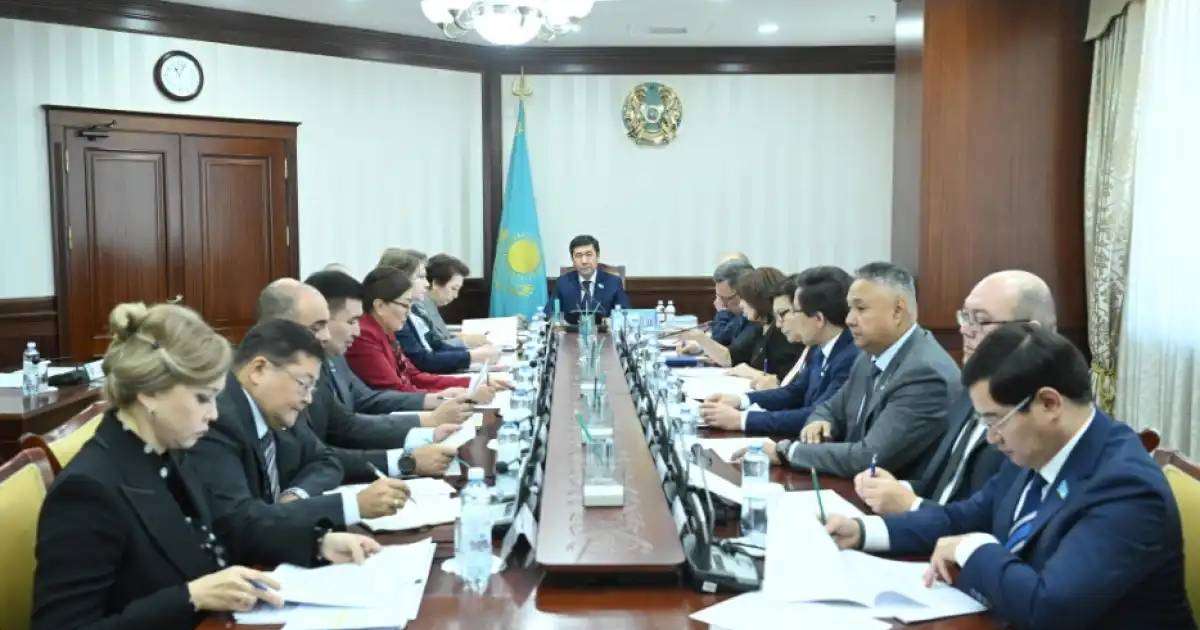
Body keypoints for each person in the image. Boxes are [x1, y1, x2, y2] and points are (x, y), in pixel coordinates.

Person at [32, 303, 378, 630]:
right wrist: (191, 597)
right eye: (202, 398)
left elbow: (229, 525)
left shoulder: (168, 452)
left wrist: (317, 543)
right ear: (150, 393)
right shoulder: (88, 491)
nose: (213, 414)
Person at [825, 325, 1195, 629]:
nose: (990, 437)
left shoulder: (1125, 487)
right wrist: (864, 531)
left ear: (1049, 404)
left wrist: (971, 548)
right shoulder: (1036, 449)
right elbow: (963, 516)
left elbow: (1049, 608)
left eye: (994, 420)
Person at [191, 318, 413, 542]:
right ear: (259, 369)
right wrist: (351, 506)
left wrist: (296, 496)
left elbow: (325, 459)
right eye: (303, 384)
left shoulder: (277, 409)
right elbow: (240, 523)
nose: (308, 399)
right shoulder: (218, 421)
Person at [854, 270, 1055, 514]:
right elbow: (943, 486)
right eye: (965, 317)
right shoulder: (968, 389)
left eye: (980, 320)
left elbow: (990, 518)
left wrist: (911, 506)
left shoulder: (1038, 413)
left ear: (1028, 331)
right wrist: (893, 488)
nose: (965, 330)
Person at [742, 262, 959, 478]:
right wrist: (821, 421)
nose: (849, 319)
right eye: (849, 308)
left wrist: (788, 452)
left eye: (861, 308)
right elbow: (830, 407)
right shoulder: (869, 355)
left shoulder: (923, 373)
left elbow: (869, 457)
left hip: (891, 499)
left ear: (898, 311)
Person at [266, 275, 465, 481]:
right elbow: (313, 456)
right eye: (318, 326)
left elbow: (351, 415)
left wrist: (428, 426)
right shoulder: (278, 380)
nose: (325, 336)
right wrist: (407, 460)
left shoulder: (329, 358)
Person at [701, 266, 858, 435]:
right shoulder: (820, 347)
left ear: (818, 318)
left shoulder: (851, 357)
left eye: (787, 313)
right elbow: (795, 392)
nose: (778, 324)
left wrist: (741, 420)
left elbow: (817, 415)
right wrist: (740, 400)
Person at [345, 266, 498, 400]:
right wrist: (447, 396)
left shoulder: (385, 328)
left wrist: (473, 383)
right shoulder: (364, 334)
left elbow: (413, 375)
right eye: (405, 304)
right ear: (379, 306)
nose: (409, 311)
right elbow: (395, 391)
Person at [385, 250, 500, 374]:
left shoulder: (413, 308)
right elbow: (423, 361)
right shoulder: (401, 313)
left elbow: (435, 345)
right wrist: (472, 355)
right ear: (401, 280)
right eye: (421, 277)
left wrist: (471, 354)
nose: (426, 283)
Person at [679, 267, 801, 379]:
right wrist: (700, 340)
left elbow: (787, 383)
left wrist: (752, 373)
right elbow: (731, 357)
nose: (741, 304)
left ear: (757, 300)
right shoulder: (759, 327)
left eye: (744, 298)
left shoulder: (784, 332)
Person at [545, 234, 630, 323]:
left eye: (589, 254)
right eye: (578, 255)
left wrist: (610, 322)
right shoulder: (563, 282)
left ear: (597, 256)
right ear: (573, 260)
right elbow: (549, 313)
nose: (584, 261)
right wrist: (558, 321)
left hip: (603, 334)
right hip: (571, 334)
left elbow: (625, 313)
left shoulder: (613, 282)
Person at [424, 253, 488, 348]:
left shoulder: (430, 303)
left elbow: (442, 337)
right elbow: (430, 348)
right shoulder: (418, 308)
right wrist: (465, 342)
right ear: (436, 283)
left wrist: (462, 338)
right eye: (454, 288)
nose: (456, 296)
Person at [707, 257, 754, 346]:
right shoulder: (735, 314)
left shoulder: (753, 317)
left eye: (727, 298)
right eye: (719, 297)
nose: (722, 303)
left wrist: (722, 312)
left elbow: (720, 341)